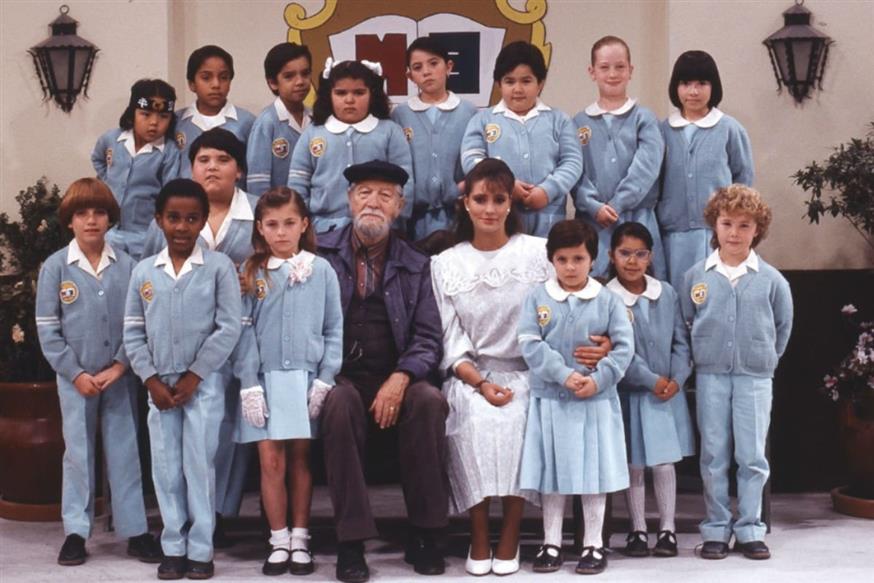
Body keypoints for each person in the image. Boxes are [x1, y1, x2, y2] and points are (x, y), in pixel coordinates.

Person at [431, 160, 612, 577]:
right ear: (466, 203)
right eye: (480, 199)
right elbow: (450, 339)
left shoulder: (537, 253)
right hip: (474, 376)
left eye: (499, 199)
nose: (490, 209)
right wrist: (479, 383)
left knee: (520, 418)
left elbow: (576, 299)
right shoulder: (445, 264)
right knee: (474, 421)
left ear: (510, 203)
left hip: (535, 373)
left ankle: (510, 533)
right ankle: (479, 535)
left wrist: (604, 340)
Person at [317, 160, 446, 582]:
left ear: (399, 207)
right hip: (341, 375)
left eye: (385, 196)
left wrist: (402, 376)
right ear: (349, 199)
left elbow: (428, 337)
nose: (373, 202)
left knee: (429, 401)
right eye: (365, 193)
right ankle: (351, 542)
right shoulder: (320, 253)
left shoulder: (416, 263)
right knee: (338, 403)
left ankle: (426, 533)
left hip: (397, 374)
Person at [36, 178, 161, 567]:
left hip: (118, 378)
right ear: (69, 221)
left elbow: (139, 322)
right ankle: (76, 531)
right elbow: (48, 330)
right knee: (78, 453)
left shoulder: (128, 266)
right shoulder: (56, 267)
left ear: (111, 218)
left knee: (125, 450)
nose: (91, 220)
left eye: (99, 212)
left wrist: (122, 364)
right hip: (75, 380)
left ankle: (135, 530)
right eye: (82, 213)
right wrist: (74, 373)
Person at [141, 128, 258, 542]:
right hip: (182, 340)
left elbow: (281, 259)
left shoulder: (257, 211)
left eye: (223, 160)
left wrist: (254, 277)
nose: (212, 167)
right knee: (184, 435)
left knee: (226, 427)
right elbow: (150, 276)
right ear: (190, 167)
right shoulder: (175, 214)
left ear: (239, 170)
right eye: (203, 160)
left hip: (242, 331)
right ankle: (183, 520)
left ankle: (219, 513)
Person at [124, 178, 242, 580]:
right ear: (159, 219)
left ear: (203, 221)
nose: (181, 227)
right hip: (159, 389)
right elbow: (133, 332)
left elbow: (228, 327)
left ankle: (201, 549)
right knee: (166, 468)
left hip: (202, 387)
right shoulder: (144, 272)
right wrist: (150, 379)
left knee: (199, 466)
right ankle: (172, 546)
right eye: (173, 218)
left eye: (192, 219)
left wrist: (196, 375)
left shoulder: (218, 268)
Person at [680, 185, 792, 561]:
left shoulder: (772, 280)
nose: (734, 233)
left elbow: (782, 327)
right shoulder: (697, 276)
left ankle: (749, 528)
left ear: (757, 230)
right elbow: (686, 322)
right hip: (710, 376)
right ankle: (715, 528)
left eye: (745, 225)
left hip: (755, 378)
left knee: (752, 456)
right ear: (715, 224)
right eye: (727, 223)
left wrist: (763, 360)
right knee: (714, 455)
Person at [234, 188, 343, 576]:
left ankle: (300, 538)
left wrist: (325, 378)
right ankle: (277, 540)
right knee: (270, 460)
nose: (281, 232)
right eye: (272, 224)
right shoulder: (251, 271)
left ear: (304, 225)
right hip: (264, 381)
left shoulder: (322, 270)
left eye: (289, 223)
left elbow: (333, 328)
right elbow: (243, 329)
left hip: (305, 379)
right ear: (260, 228)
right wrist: (249, 382)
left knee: (300, 458)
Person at [517, 219, 634, 576]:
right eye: (562, 259)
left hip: (594, 403)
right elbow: (529, 344)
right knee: (553, 475)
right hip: (552, 401)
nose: (570, 267)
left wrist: (597, 381)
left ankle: (593, 544)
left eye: (578, 259)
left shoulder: (608, 301)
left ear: (593, 260)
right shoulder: (537, 298)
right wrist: (563, 374)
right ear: (551, 260)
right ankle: (551, 542)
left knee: (593, 475)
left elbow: (624, 348)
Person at [604, 222, 694, 558]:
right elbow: (618, 351)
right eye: (625, 253)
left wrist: (677, 378)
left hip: (667, 394)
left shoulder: (666, 293)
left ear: (650, 256)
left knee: (664, 462)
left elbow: (681, 342)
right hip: (632, 394)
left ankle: (667, 529)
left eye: (640, 254)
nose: (632, 261)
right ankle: (638, 529)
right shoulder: (607, 298)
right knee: (634, 463)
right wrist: (649, 379)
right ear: (611, 256)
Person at [460, 41, 582, 237]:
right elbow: (471, 159)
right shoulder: (481, 120)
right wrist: (506, 184)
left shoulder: (559, 120)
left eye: (526, 81)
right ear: (499, 84)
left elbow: (572, 161)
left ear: (540, 83)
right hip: (501, 220)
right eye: (509, 81)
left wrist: (548, 190)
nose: (517, 89)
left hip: (549, 216)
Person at [657, 51, 753, 290]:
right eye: (685, 83)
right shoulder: (663, 131)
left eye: (702, 83)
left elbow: (743, 180)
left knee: (716, 292)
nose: (693, 91)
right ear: (675, 87)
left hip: (718, 234)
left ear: (714, 87)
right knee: (679, 293)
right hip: (674, 234)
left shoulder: (730, 129)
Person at [573, 36, 666, 279]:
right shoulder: (578, 122)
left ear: (630, 70)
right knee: (596, 284)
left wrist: (616, 205)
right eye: (604, 67)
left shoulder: (644, 118)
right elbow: (574, 171)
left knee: (641, 285)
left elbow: (647, 167)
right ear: (592, 72)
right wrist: (594, 206)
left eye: (620, 67)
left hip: (638, 218)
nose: (612, 74)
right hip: (594, 222)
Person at [288, 60, 413, 234]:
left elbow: (406, 183)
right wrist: (303, 225)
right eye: (340, 93)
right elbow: (297, 186)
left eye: (359, 93)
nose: (349, 100)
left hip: (380, 230)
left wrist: (396, 222)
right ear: (329, 95)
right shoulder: (312, 133)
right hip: (323, 230)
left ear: (372, 94)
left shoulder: (390, 132)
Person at [391, 37, 477, 239]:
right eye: (418, 67)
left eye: (433, 63)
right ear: (410, 76)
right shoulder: (400, 115)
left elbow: (478, 158)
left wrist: (461, 188)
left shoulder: (468, 112)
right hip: (413, 219)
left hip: (459, 215)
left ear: (449, 67)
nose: (426, 72)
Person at [91, 78, 180, 260]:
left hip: (144, 233)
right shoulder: (112, 139)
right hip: (108, 229)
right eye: (145, 114)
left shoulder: (168, 152)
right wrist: (108, 181)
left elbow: (169, 192)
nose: (154, 122)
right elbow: (98, 158)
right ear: (132, 113)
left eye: (163, 117)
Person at [175, 45, 255, 180]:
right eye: (206, 78)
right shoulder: (177, 121)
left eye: (223, 77)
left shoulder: (247, 122)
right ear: (191, 84)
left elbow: (253, 171)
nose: (216, 84)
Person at [247, 43, 313, 196]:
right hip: (279, 207)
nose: (300, 82)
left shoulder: (316, 119)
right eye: (289, 76)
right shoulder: (267, 122)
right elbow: (258, 182)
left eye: (305, 73)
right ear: (273, 83)